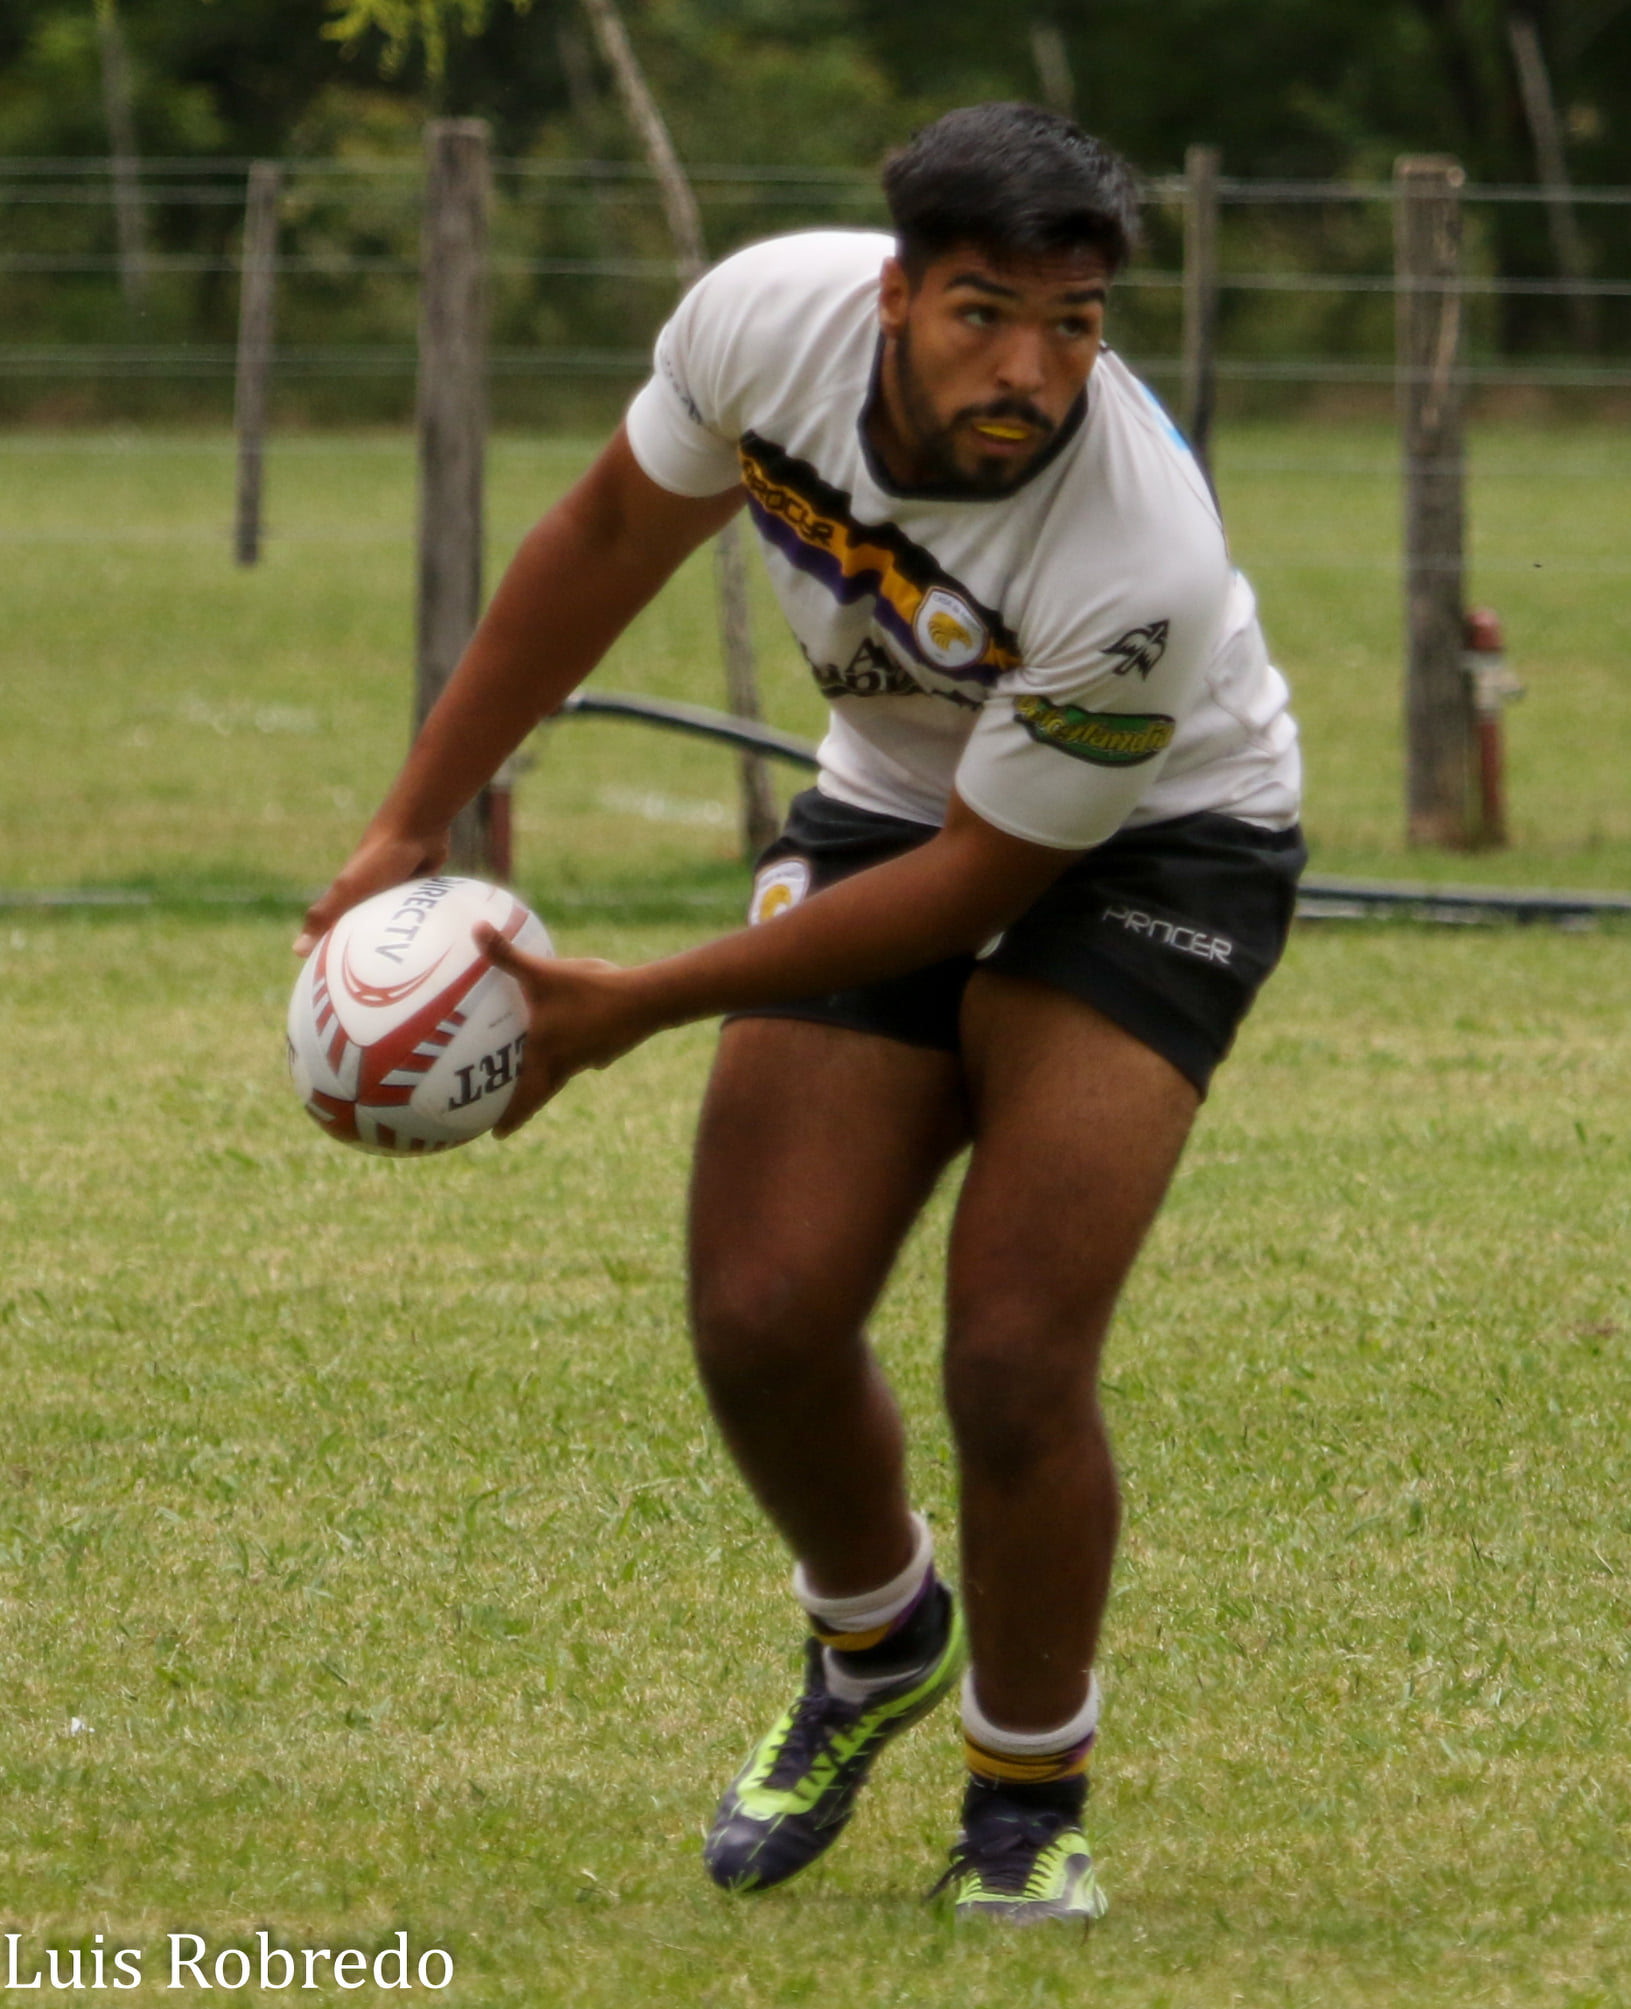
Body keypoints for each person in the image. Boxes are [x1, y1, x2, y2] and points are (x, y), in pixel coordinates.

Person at [297, 102, 1303, 1924]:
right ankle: (876, 1634)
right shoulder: (765, 320)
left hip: (1159, 843)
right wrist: (410, 820)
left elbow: (983, 886)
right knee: (762, 1310)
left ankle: (1028, 1790)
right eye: (986, 313)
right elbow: (610, 531)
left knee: (1013, 1351)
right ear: (896, 295)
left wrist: (636, 1001)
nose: (1031, 370)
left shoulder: (1137, 556)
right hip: (895, 797)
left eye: (1074, 327)